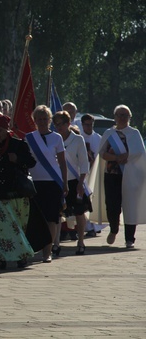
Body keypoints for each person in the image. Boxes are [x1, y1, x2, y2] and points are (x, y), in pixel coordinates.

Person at [0, 114, 36, 269]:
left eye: (0, 130)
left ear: (7, 130)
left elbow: (31, 162)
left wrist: (17, 159)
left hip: (16, 192)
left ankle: (21, 256)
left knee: (16, 227)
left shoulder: (18, 145)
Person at [92, 105, 146, 248]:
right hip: (111, 174)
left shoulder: (134, 133)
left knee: (130, 205)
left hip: (131, 175)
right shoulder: (109, 133)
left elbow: (140, 153)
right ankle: (114, 229)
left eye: (125, 115)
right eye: (119, 115)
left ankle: (130, 239)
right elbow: (102, 153)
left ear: (129, 118)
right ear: (115, 117)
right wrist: (116, 158)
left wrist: (126, 156)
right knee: (112, 205)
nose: (122, 118)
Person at [26, 105, 68, 263]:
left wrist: (65, 183)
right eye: (39, 119)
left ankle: (47, 252)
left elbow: (62, 163)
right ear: (34, 120)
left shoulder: (56, 138)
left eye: (45, 119)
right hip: (35, 183)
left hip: (53, 183)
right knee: (36, 218)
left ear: (50, 120)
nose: (42, 122)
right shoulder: (29, 137)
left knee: (51, 218)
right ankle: (33, 248)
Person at [52, 111, 91, 255]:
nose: (58, 127)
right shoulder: (53, 139)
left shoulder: (77, 139)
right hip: (58, 181)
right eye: (55, 124)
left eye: (60, 124)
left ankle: (80, 241)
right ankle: (55, 244)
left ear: (68, 124)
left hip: (75, 181)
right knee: (56, 213)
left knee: (79, 213)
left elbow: (84, 163)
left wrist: (81, 182)